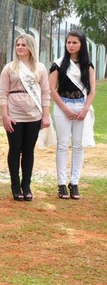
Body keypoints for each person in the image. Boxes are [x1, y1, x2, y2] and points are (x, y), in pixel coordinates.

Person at [0, 33, 51, 201]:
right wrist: (5, 115)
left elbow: (45, 93)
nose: (20, 48)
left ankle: (26, 185)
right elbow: (3, 94)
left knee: (28, 150)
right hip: (14, 114)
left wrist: (46, 115)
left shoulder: (40, 68)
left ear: (30, 47)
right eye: (18, 45)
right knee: (14, 150)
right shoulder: (9, 68)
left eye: (23, 45)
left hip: (34, 114)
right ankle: (15, 186)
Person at [49, 30, 96, 200]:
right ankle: (61, 184)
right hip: (63, 105)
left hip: (82, 106)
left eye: (75, 42)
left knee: (78, 145)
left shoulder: (88, 65)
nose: (71, 45)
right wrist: (65, 109)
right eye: (68, 42)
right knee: (62, 145)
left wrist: (85, 110)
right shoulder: (58, 64)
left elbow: (92, 91)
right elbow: (51, 89)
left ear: (81, 44)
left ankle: (74, 183)